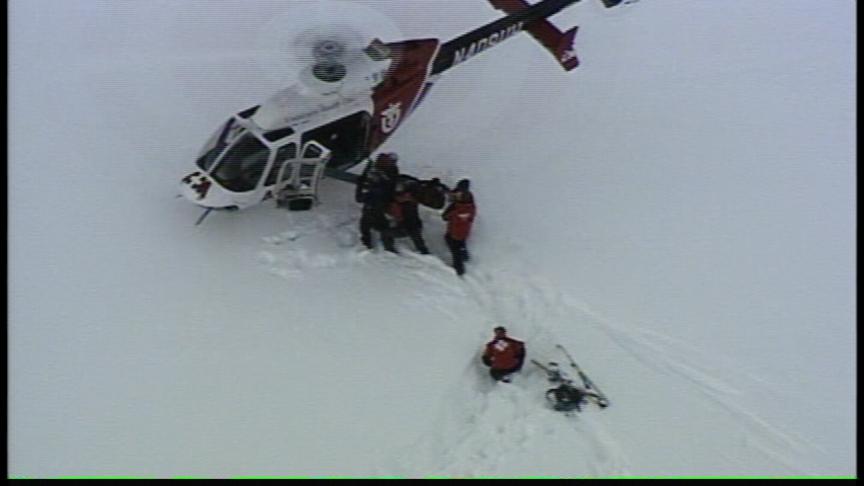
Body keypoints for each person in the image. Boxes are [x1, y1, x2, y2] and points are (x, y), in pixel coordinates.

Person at [356, 153, 400, 252]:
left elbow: (365, 183)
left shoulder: (380, 172)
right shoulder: (389, 171)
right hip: (379, 201)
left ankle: (369, 244)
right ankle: (386, 244)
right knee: (378, 222)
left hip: (375, 201)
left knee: (368, 223)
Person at [441, 179, 476, 276]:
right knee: (461, 243)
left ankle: (459, 270)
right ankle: (465, 256)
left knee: (454, 247)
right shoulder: (470, 199)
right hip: (465, 230)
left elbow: (445, 216)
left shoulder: (458, 207)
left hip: (455, 231)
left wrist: (450, 213)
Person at [388, 180, 430, 254]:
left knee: (385, 234)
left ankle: (389, 251)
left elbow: (398, 213)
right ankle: (425, 254)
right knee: (419, 242)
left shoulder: (404, 202)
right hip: (415, 226)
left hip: (405, 227)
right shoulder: (414, 200)